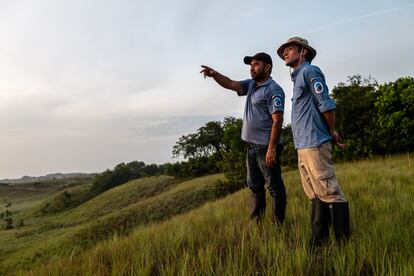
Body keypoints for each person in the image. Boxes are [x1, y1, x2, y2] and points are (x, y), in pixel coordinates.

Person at [277, 37, 350, 244]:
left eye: (289, 49)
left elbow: (325, 104)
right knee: (315, 194)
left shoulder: (310, 72)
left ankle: (343, 244)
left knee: (330, 192)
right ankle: (319, 240)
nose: (285, 53)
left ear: (303, 52)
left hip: (315, 143)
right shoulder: (297, 77)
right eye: (284, 51)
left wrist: (332, 131)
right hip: (303, 146)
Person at [200, 53, 287, 225]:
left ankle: (279, 225)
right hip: (251, 147)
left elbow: (278, 120)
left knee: (275, 188)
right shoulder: (252, 85)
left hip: (266, 148)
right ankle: (257, 224)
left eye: (256, 64)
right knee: (255, 187)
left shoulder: (273, 90)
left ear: (267, 67)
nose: (251, 68)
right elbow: (231, 83)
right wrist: (215, 75)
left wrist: (271, 149)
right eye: (250, 65)